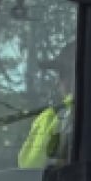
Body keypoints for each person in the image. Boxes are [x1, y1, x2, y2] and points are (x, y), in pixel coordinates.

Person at [19, 41, 76, 170]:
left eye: (62, 73)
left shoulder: (58, 117)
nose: (57, 82)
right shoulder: (51, 117)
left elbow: (30, 169)